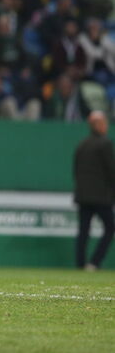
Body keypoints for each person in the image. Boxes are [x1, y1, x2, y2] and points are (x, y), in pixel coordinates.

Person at [73, 111, 114, 271]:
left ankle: (80, 263)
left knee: (84, 230)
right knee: (110, 228)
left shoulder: (82, 144)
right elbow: (111, 172)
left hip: (83, 195)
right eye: (104, 122)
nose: (106, 126)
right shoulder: (105, 144)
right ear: (98, 124)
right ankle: (94, 262)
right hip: (101, 197)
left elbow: (75, 171)